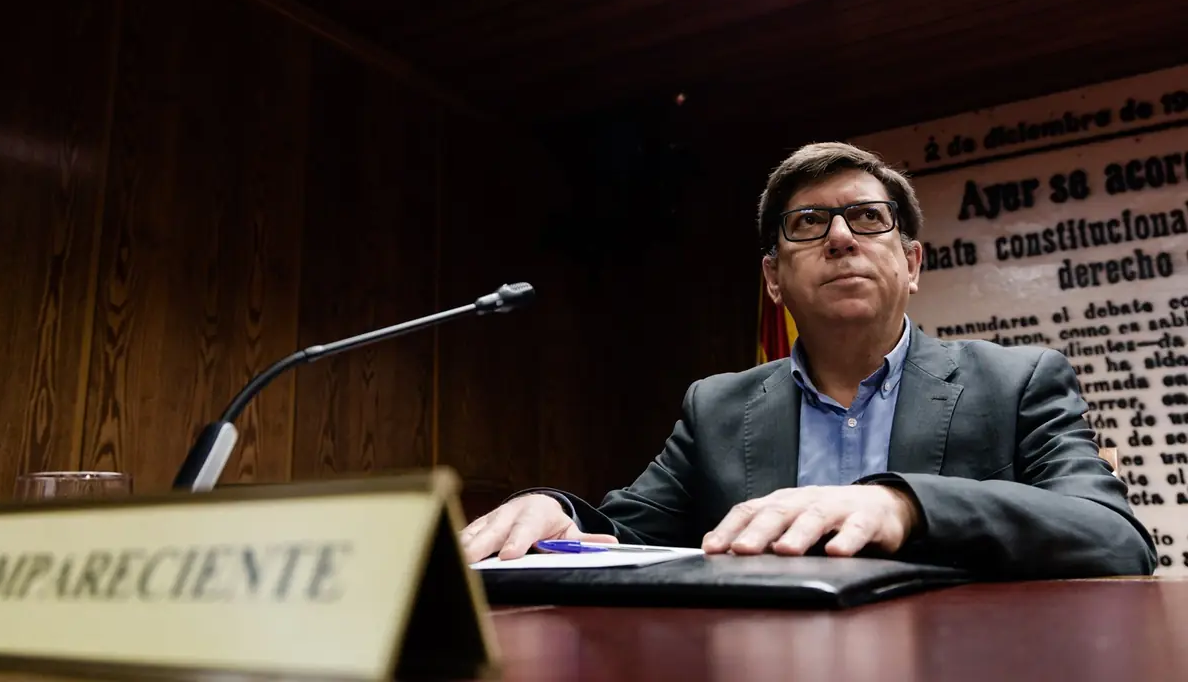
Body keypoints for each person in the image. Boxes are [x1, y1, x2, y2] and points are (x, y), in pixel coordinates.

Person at [460, 142, 1156, 579]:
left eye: (870, 218)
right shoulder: (717, 406)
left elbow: (1114, 537)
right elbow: (628, 533)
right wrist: (557, 512)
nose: (841, 237)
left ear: (913, 264)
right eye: (808, 223)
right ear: (774, 279)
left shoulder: (1017, 381)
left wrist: (903, 505)